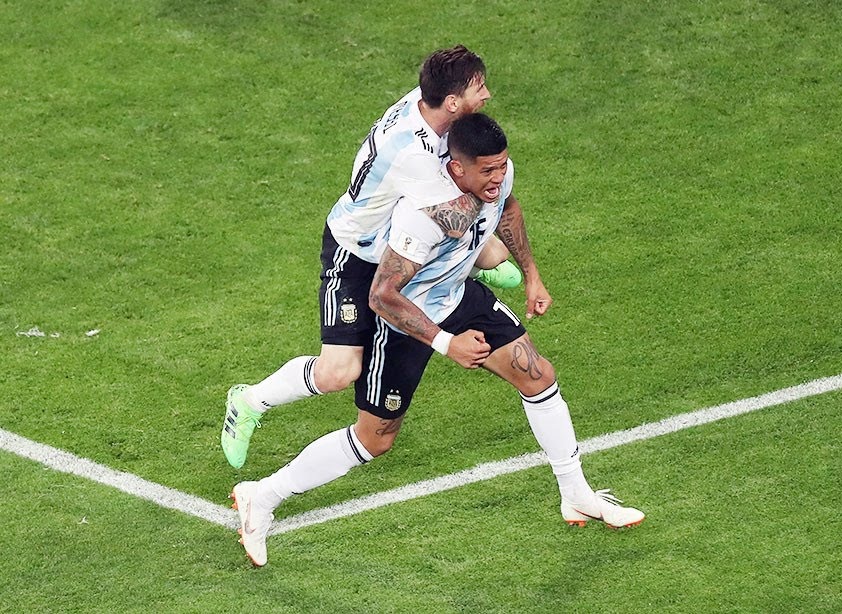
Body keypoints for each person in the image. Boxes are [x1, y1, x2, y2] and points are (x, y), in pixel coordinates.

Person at [229, 113, 644, 567]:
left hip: (458, 294)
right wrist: (447, 343)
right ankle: (261, 496)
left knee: (537, 375)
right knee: (374, 440)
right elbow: (382, 295)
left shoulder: (497, 177)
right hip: (405, 321)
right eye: (487, 170)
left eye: (502, 166)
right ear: (457, 168)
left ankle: (576, 493)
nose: (498, 177)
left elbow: (508, 208)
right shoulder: (424, 215)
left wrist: (532, 275)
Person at [221, 45, 520, 470]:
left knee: (493, 251)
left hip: (392, 237)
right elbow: (455, 218)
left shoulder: (429, 105)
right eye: (479, 88)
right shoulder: (414, 157)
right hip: (356, 252)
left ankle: (470, 268)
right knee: (338, 373)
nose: (487, 95)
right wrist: (493, 194)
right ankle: (249, 401)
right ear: (452, 102)